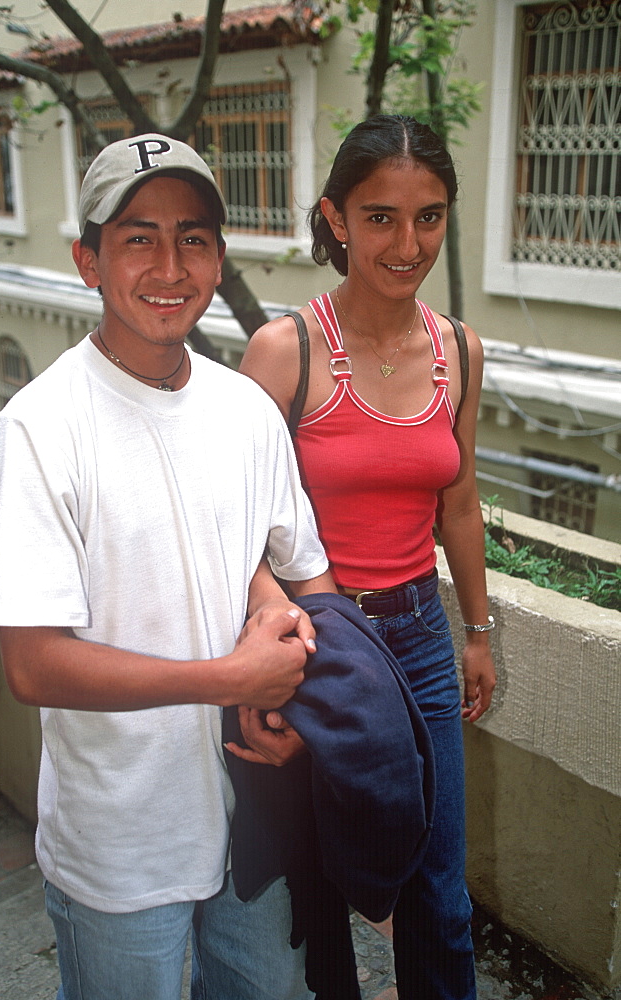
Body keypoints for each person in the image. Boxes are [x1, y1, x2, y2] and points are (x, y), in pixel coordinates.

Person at [0, 133, 336, 1000]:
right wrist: (232, 677)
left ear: (219, 258)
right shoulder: (39, 429)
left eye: (194, 238)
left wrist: (294, 669)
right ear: (88, 261)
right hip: (119, 843)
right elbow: (30, 663)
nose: (169, 265)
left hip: (254, 811)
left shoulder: (245, 409)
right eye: (138, 237)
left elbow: (304, 575)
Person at [240, 114, 497, 1000]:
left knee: (438, 889)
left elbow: (457, 502)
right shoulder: (284, 351)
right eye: (380, 216)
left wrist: (479, 631)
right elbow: (239, 530)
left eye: (429, 217)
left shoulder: (461, 351)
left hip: (422, 637)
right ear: (336, 218)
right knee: (314, 895)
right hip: (322, 646)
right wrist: (260, 665)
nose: (407, 241)